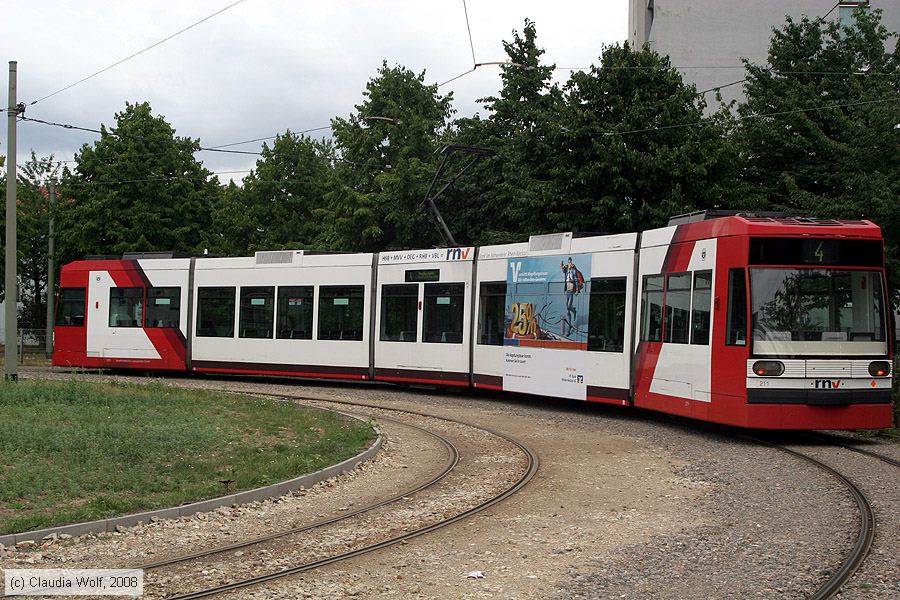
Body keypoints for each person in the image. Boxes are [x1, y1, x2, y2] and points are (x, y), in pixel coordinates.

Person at [560, 257, 582, 336]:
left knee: (569, 306)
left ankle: (574, 311)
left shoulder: (573, 269)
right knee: (567, 310)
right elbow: (563, 271)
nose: (569, 263)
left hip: (571, 289)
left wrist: (576, 290)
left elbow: (576, 279)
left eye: (570, 262)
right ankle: (569, 328)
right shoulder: (566, 268)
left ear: (571, 262)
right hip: (567, 289)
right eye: (568, 262)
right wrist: (562, 266)